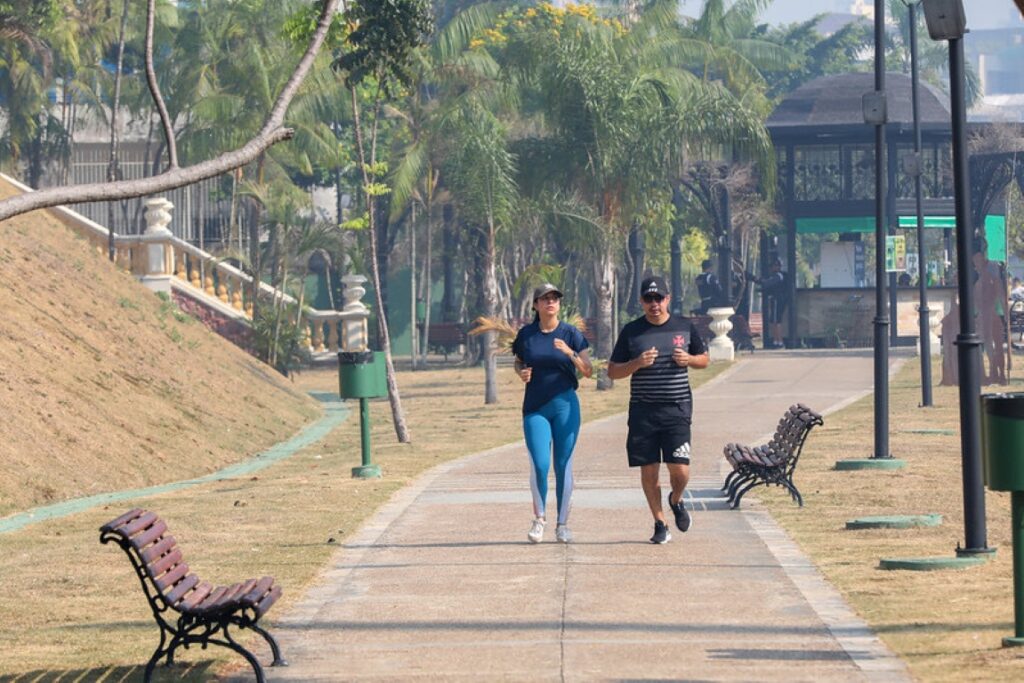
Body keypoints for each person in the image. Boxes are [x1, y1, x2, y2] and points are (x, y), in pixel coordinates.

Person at [607, 276, 709, 544]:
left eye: (659, 298)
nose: (654, 304)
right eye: (648, 299)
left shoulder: (684, 326)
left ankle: (676, 500)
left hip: (676, 409)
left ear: (668, 299)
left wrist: (689, 360)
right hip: (643, 412)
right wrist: (637, 363)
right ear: (641, 301)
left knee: (680, 470)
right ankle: (660, 522)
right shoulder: (632, 331)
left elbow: (705, 359)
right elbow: (613, 371)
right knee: (649, 471)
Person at [512, 283, 593, 544]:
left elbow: (588, 370)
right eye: (544, 299)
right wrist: (521, 372)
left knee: (562, 464)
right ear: (535, 305)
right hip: (535, 407)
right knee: (540, 463)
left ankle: (562, 524)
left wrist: (569, 353)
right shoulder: (527, 335)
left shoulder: (571, 334)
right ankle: (540, 520)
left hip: (565, 406)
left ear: (559, 304)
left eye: (555, 298)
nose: (550, 302)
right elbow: (519, 360)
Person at [759, 258, 789, 349]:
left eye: (774, 266)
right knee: (773, 321)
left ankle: (780, 342)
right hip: (775, 300)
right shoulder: (775, 276)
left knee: (776, 321)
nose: (772, 268)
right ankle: (776, 341)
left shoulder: (779, 276)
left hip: (778, 300)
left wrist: (760, 281)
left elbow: (768, 283)